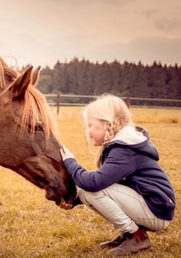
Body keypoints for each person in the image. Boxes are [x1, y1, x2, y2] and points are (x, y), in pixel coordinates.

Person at [60, 94, 176, 256]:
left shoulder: (124, 150)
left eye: (92, 125)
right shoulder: (122, 146)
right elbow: (110, 182)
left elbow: (94, 183)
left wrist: (71, 162)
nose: (89, 131)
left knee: (91, 191)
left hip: (157, 210)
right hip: (154, 206)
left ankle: (137, 238)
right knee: (87, 194)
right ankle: (128, 235)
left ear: (107, 124)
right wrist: (75, 200)